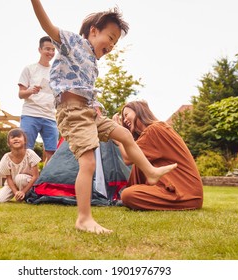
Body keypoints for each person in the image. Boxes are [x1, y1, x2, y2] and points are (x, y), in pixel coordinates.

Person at [30, 0, 177, 234]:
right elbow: (46, 24)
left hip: (90, 112)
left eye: (116, 42)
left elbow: (86, 89)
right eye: (111, 37)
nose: (112, 45)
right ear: (94, 30)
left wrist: (96, 109)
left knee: (125, 135)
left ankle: (149, 172)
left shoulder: (93, 62)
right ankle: (84, 218)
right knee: (87, 162)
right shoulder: (72, 42)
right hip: (73, 112)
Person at [113, 101, 203, 210]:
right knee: (139, 161)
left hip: (185, 194)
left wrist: (119, 138)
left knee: (128, 195)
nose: (125, 120)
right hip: (184, 191)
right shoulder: (155, 130)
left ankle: (132, 196)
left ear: (139, 111)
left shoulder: (154, 130)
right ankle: (134, 194)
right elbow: (132, 156)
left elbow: (128, 158)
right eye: (123, 118)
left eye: (126, 115)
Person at [18, 36, 58, 164]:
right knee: (26, 148)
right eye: (47, 49)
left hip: (50, 116)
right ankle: (25, 179)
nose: (51, 52)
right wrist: (31, 91)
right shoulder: (29, 69)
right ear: (40, 49)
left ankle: (47, 180)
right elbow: (20, 94)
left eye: (53, 49)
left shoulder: (55, 72)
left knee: (52, 151)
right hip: (31, 114)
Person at [0, 128, 41, 203]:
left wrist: (23, 191)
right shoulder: (6, 157)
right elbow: (9, 178)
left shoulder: (30, 154)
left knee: (19, 178)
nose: (16, 139)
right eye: (13, 137)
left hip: (26, 182)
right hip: (12, 184)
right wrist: (15, 192)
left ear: (25, 141)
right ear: (8, 143)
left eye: (19, 137)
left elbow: (35, 176)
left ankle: (26, 196)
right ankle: (18, 195)